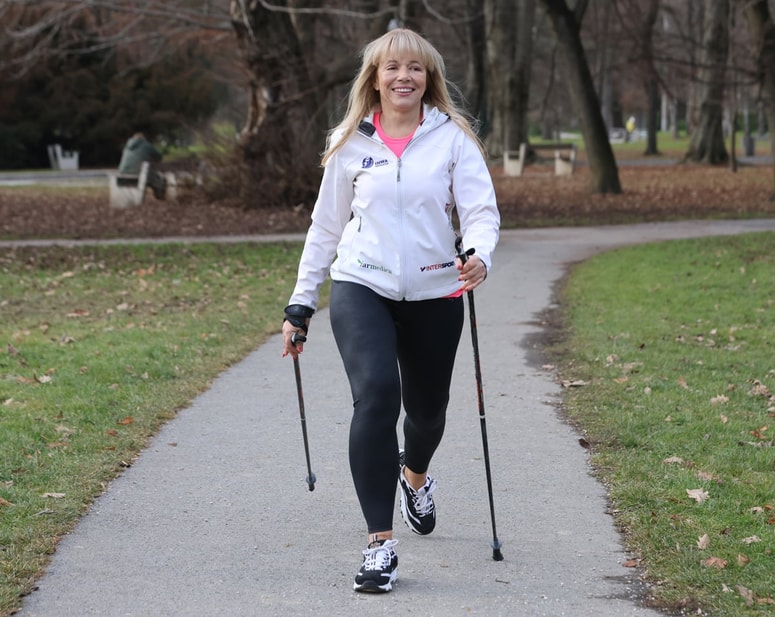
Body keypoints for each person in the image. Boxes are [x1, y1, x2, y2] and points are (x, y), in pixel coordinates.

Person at [281, 28, 500, 594]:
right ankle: (380, 543)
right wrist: (301, 303)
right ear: (374, 77)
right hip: (362, 286)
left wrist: (478, 254)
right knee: (377, 394)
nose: (404, 77)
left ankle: (415, 474)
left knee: (426, 413)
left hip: (435, 291)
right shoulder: (350, 141)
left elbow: (480, 212)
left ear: (430, 79)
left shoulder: (452, 138)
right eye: (392, 68)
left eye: (416, 69)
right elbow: (325, 227)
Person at [117, 132, 167, 199]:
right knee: (158, 180)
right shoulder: (146, 145)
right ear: (143, 139)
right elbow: (158, 157)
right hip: (139, 174)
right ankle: (160, 197)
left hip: (122, 175)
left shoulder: (127, 147)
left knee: (149, 175)